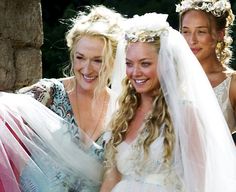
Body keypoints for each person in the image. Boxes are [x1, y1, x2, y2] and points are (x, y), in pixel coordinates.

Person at [100, 13, 236, 192]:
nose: (135, 72)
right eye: (129, 63)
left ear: (166, 64)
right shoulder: (123, 115)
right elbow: (112, 178)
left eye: (145, 64)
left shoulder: (186, 114)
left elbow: (200, 184)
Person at [0, 5, 125, 192]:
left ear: (114, 59)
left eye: (97, 60)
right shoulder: (47, 94)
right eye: (80, 57)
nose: (87, 68)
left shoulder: (122, 109)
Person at [176, 0, 236, 143]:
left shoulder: (232, 84)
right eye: (186, 32)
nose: (192, 40)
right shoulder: (170, 78)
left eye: (201, 32)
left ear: (220, 34)